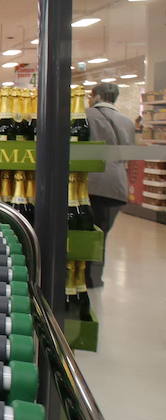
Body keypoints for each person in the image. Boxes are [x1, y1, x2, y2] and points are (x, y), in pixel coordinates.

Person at [85, 82, 136, 288]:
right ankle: (95, 277)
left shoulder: (87, 115)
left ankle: (82, 275)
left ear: (95, 95)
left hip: (91, 182)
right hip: (116, 185)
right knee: (102, 232)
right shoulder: (127, 121)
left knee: (86, 230)